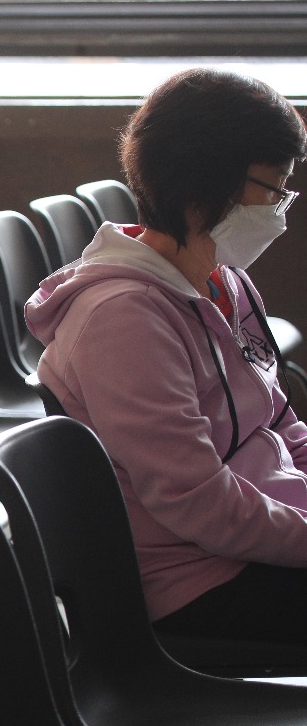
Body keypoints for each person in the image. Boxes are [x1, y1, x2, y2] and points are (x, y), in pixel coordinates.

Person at [26, 68, 307, 643]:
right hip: (198, 584)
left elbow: (278, 421)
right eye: (273, 188)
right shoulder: (124, 320)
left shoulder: (223, 282)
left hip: (261, 540)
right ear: (202, 187)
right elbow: (201, 504)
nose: (281, 208)